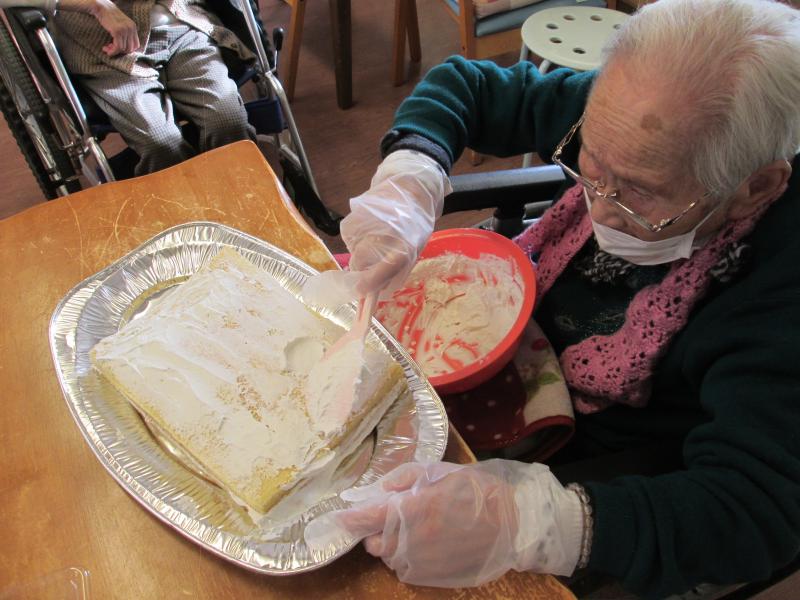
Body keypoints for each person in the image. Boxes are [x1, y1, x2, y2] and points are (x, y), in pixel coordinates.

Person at [303, 0, 800, 597]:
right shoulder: (640, 117)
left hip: (601, 459)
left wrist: (542, 524)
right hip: (522, 334)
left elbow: (759, 510)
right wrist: (412, 175)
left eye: (639, 195)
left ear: (756, 187)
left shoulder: (779, 293)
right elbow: (468, 86)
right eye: (590, 165)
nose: (600, 209)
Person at [0, 0, 256, 175]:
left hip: (180, 25)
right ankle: (184, 225)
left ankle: (251, 211)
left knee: (228, 122)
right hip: (101, 49)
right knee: (161, 145)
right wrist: (97, 6)